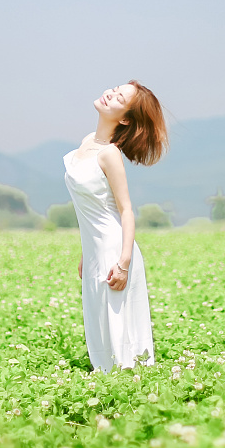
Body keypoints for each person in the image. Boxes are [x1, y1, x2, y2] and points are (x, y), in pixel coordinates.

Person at [63, 80, 168, 372]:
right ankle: (109, 381)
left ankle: (128, 385)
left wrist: (124, 263)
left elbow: (126, 211)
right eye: (115, 89)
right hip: (95, 251)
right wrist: (86, 252)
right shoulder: (88, 141)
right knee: (100, 323)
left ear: (124, 119)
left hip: (115, 251)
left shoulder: (109, 153)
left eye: (120, 98)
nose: (110, 93)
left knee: (120, 328)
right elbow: (92, 208)